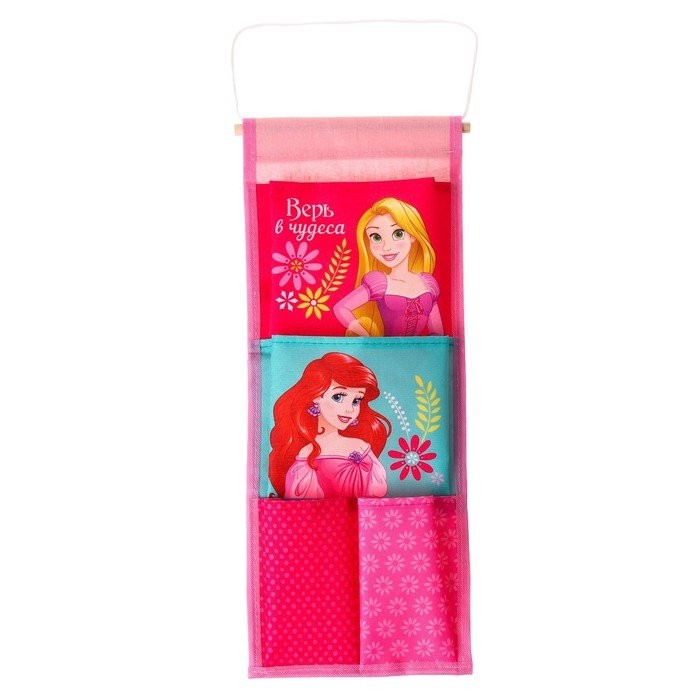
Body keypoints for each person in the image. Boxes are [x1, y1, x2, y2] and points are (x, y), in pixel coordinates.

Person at [269, 352, 391, 499]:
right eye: (338, 397)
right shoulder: (307, 454)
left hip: (367, 514)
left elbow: (377, 494)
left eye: (356, 400)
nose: (349, 409)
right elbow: (304, 504)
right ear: (316, 396)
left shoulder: (361, 447)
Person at [333, 197, 444, 336]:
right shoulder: (379, 283)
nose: (386, 247)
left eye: (398, 234)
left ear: (412, 235)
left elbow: (437, 333)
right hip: (386, 348)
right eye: (376, 237)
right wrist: (367, 337)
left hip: (421, 349)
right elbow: (341, 308)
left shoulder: (428, 283)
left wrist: (435, 346)